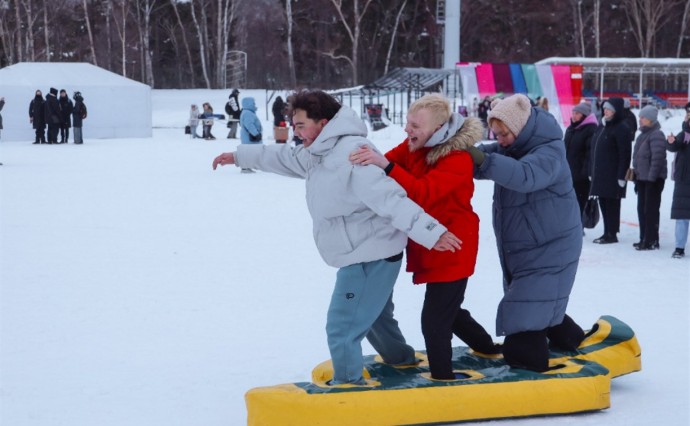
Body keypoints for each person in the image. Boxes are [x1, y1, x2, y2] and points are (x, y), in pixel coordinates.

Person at [212, 89, 462, 385]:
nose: (296, 132)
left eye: (302, 125)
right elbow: (285, 157)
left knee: (342, 326)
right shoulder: (318, 150)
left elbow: (391, 199)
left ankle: (346, 385)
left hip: (370, 254)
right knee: (376, 318)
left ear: (324, 122)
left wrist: (433, 233)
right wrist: (240, 155)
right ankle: (401, 360)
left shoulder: (351, 154)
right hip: (362, 247)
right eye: (294, 125)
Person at [349, 94, 499, 381]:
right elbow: (385, 162)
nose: (408, 129)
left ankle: (443, 378)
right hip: (430, 244)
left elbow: (423, 193)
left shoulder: (457, 159)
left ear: (439, 128)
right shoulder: (413, 147)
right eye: (407, 122)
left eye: (415, 125)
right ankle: (487, 347)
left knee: (434, 321)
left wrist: (386, 166)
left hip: (454, 245)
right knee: (449, 311)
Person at [465, 94, 585, 372]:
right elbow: (491, 153)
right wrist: (462, 152)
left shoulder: (549, 150)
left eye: (504, 134)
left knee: (524, 312)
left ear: (520, 127)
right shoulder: (514, 145)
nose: (501, 139)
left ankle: (526, 364)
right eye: (497, 134)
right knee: (536, 302)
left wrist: (482, 160)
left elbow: (525, 175)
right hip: (530, 245)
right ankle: (571, 339)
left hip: (551, 246)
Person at [589, 97, 632, 244]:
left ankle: (612, 233)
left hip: (613, 174)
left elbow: (625, 154)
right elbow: (593, 150)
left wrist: (622, 176)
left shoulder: (621, 128)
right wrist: (591, 171)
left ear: (616, 111)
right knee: (603, 203)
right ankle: (606, 231)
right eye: (605, 109)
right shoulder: (601, 126)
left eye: (609, 109)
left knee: (612, 205)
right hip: (600, 173)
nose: (606, 111)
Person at [631, 105, 667, 251]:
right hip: (642, 179)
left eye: (643, 117)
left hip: (653, 180)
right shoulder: (642, 135)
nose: (640, 120)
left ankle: (651, 240)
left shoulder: (657, 134)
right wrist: (636, 177)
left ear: (651, 119)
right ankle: (643, 237)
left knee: (650, 210)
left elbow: (657, 159)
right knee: (641, 209)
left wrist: (651, 179)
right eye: (640, 117)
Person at [564, 102, 598, 221]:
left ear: (584, 115)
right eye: (573, 112)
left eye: (577, 113)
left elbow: (590, 153)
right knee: (568, 201)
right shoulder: (571, 128)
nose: (574, 115)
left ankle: (578, 225)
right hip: (569, 172)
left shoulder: (591, 129)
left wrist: (586, 172)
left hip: (581, 175)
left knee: (579, 201)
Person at [666, 102, 690, 259]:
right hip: (684, 180)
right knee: (682, 217)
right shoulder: (685, 133)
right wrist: (672, 142)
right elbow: (675, 147)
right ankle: (679, 247)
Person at [238, 97, 263, 173]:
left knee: (249, 151)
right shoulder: (247, 113)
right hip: (250, 137)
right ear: (249, 104)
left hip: (249, 137)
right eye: (253, 103)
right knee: (248, 151)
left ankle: (247, 166)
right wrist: (256, 134)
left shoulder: (247, 112)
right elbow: (249, 125)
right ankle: (245, 167)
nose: (254, 105)